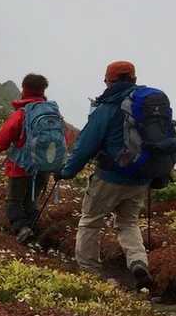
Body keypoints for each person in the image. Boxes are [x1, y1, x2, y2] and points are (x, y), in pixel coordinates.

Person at [59, 61, 153, 287]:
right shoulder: (148, 105)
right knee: (128, 222)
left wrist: (67, 172)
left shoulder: (107, 107)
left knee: (91, 221)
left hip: (110, 176)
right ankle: (138, 261)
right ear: (133, 79)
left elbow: (85, 145)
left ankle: (89, 273)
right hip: (141, 176)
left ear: (110, 81)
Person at [0, 73, 63, 244]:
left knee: (14, 201)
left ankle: (22, 229)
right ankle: (34, 232)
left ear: (24, 89)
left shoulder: (22, 113)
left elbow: (4, 138)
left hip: (21, 165)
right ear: (43, 90)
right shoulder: (53, 112)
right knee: (31, 201)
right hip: (44, 165)